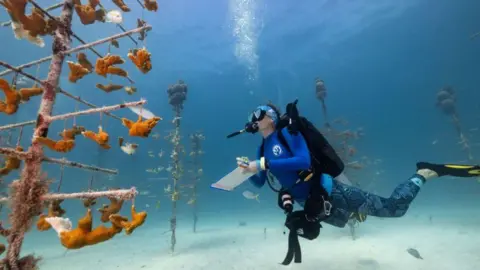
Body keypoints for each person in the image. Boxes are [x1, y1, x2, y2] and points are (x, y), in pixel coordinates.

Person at [235, 101, 480, 264]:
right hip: (311, 202)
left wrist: (265, 164)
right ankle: (358, 212)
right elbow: (259, 182)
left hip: (328, 191)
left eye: (257, 113)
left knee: (394, 208)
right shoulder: (262, 147)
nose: (252, 118)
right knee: (343, 221)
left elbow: (302, 159)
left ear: (270, 117)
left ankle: (424, 173)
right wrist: (247, 170)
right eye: (251, 116)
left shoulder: (288, 133)